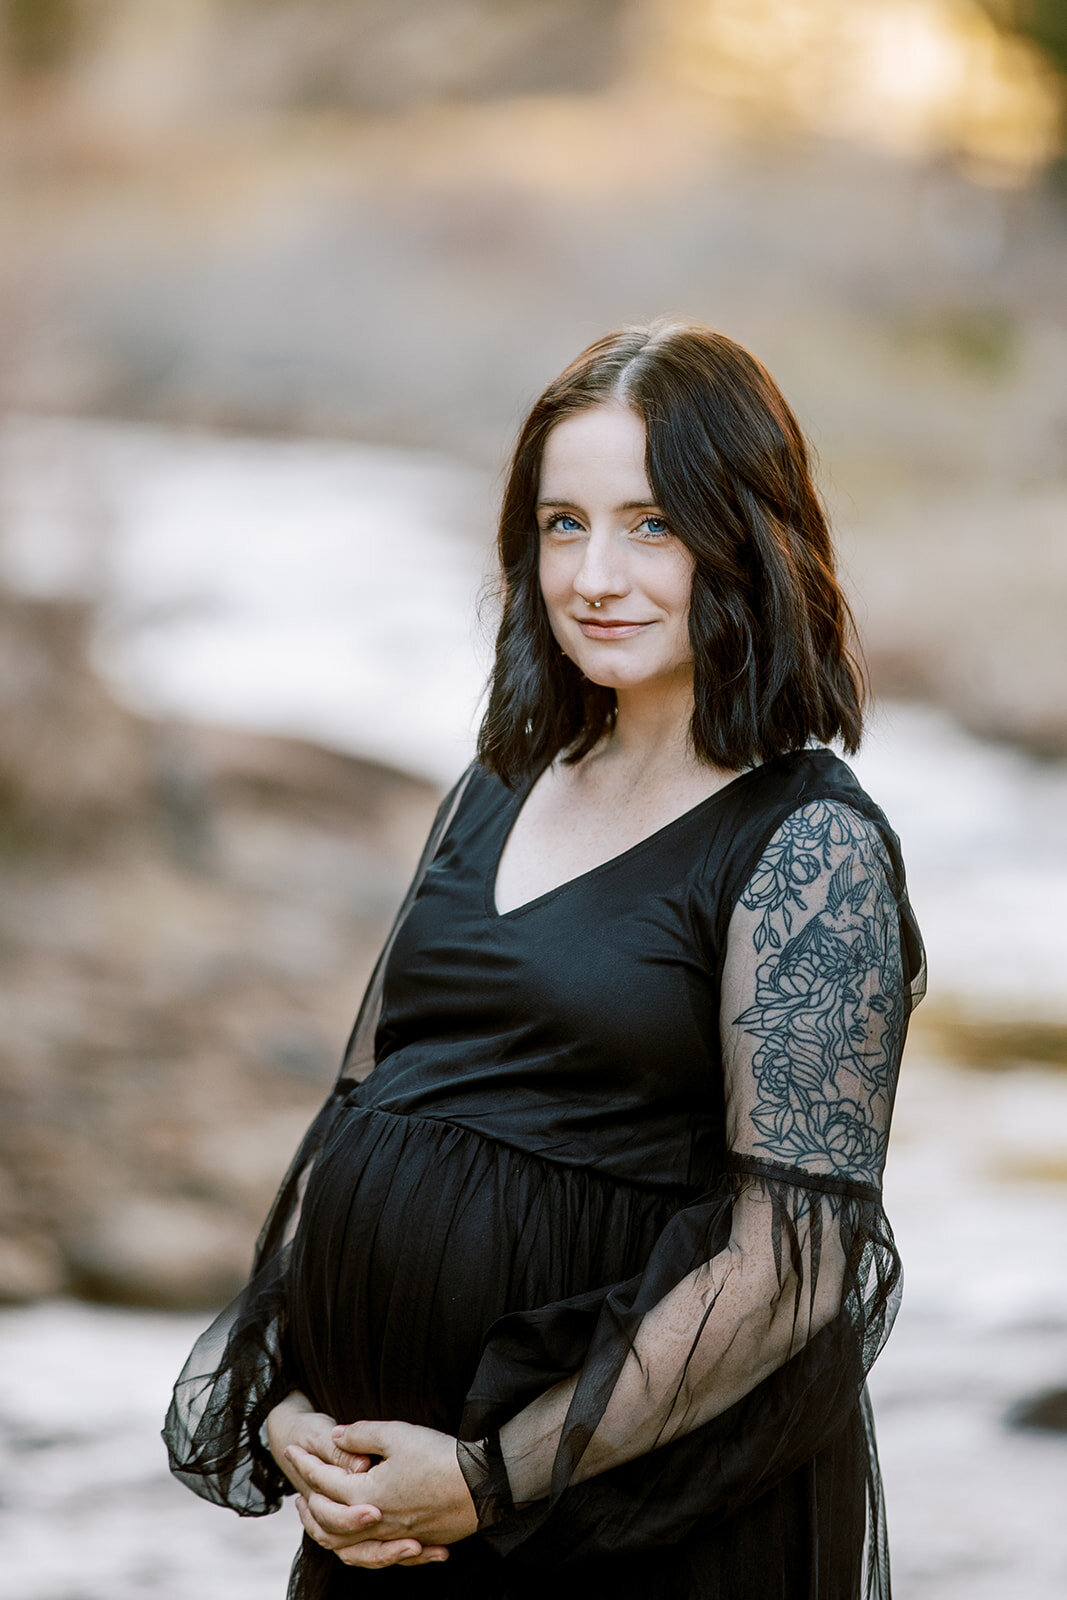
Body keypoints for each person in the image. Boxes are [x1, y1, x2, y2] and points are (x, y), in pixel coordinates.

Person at [164, 320, 926, 1600]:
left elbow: (785, 1264)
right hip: (380, 1503)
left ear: (742, 533)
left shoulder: (807, 845)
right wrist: (288, 1387)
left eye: (650, 523)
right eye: (562, 523)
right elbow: (363, 1102)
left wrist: (488, 1477)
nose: (595, 575)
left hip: (620, 1527)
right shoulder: (496, 786)